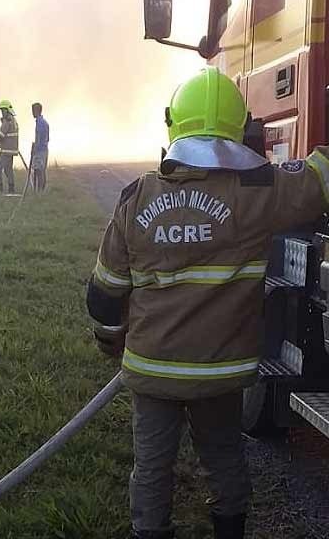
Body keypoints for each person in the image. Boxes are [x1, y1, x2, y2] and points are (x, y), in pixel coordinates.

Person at [86, 66, 329, 539]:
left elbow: (104, 293)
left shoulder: (137, 197)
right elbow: (321, 177)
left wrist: (110, 341)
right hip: (220, 374)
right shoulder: (260, 192)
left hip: (153, 371)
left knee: (151, 469)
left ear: (174, 126)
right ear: (242, 130)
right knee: (224, 461)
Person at [0, 100, 19, 193]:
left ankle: (0, 190)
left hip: (6, 150)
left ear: (8, 110)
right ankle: (11, 189)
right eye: (1, 110)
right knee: (8, 170)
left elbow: (1, 135)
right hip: (12, 150)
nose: (2, 112)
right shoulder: (13, 120)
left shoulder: (7, 121)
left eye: (3, 110)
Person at [30, 102, 50, 191]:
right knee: (41, 170)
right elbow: (47, 138)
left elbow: (38, 137)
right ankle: (40, 191)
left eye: (33, 110)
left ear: (37, 111)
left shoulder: (40, 123)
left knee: (39, 171)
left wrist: (35, 149)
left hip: (40, 151)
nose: (32, 113)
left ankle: (39, 191)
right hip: (44, 149)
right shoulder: (45, 122)